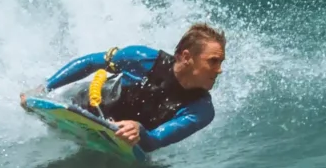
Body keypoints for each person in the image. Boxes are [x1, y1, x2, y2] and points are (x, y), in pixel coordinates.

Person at [39, 23, 224, 153]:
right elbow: (90, 63)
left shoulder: (201, 110)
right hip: (81, 102)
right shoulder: (141, 59)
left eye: (221, 62)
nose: (220, 70)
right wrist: (44, 88)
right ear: (186, 57)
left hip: (124, 136)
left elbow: (154, 141)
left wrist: (139, 130)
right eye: (213, 61)